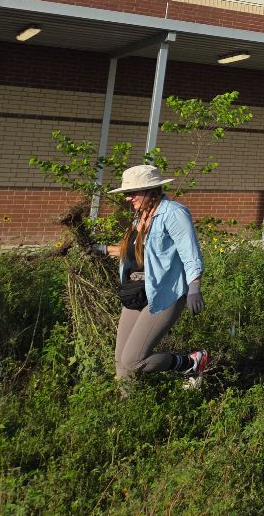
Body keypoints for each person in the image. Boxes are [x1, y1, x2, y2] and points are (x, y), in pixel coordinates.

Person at [89, 165, 209, 386]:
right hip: (137, 291)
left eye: (132, 192)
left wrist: (194, 288)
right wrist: (103, 249)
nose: (128, 198)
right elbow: (137, 251)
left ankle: (189, 363)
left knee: (133, 360)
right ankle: (126, 405)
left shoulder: (173, 213)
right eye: (126, 193)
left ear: (151, 190)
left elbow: (190, 254)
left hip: (165, 292)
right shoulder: (140, 216)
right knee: (121, 362)